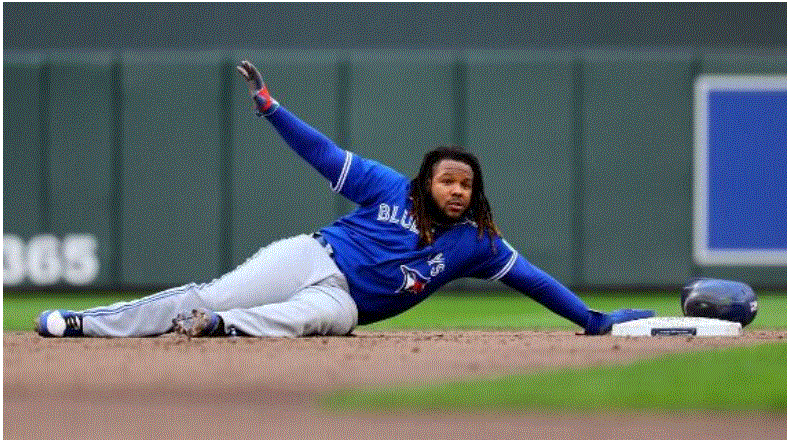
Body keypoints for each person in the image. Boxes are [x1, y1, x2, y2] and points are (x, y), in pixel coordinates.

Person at [34, 60, 653, 338]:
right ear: (427, 181)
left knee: (323, 321)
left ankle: (219, 330)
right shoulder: (390, 187)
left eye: (466, 185)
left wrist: (594, 321)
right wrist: (272, 110)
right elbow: (325, 155)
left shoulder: (478, 244)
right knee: (214, 291)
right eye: (448, 181)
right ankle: (86, 323)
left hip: (342, 300)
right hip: (314, 257)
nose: (457, 192)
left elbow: (536, 281)